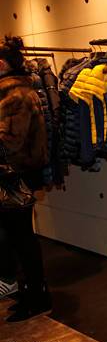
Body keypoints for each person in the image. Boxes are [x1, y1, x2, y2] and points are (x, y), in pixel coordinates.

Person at [0, 35, 51, 322]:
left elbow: (11, 141)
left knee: (22, 239)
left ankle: (37, 296)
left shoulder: (16, 95)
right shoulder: (12, 92)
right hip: (12, 177)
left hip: (15, 178)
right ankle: (28, 290)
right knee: (16, 238)